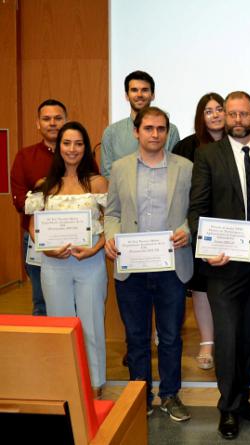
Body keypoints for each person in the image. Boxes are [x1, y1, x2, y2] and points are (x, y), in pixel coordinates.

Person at [188, 91, 250, 440]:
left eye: (244, 114)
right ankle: (228, 407)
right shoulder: (208, 154)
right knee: (228, 335)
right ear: (225, 116)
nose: (238, 120)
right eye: (232, 114)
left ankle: (243, 400)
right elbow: (197, 208)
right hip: (224, 261)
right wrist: (205, 248)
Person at [104, 106, 193, 422]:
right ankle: (139, 396)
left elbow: (194, 211)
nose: (155, 134)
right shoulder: (120, 168)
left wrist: (187, 230)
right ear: (136, 131)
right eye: (149, 128)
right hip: (132, 266)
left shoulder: (185, 167)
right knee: (136, 336)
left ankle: (170, 395)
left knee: (170, 336)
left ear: (167, 132)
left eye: (161, 129)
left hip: (172, 267)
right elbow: (112, 213)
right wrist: (111, 237)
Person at [25, 121, 108, 395]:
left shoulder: (97, 183)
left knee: (92, 323)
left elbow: (111, 224)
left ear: (86, 148)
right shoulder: (43, 185)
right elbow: (33, 226)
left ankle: (95, 383)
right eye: (67, 143)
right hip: (53, 264)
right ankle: (66, 383)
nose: (72, 149)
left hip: (90, 263)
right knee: (60, 323)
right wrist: (46, 249)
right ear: (58, 147)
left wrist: (95, 250)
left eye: (79, 143)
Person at [172, 92, 225, 370]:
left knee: (227, 285)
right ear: (200, 117)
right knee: (202, 287)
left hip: (232, 231)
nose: (215, 115)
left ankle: (227, 340)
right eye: (209, 111)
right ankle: (207, 342)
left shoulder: (239, 143)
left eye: (220, 109)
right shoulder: (186, 147)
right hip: (200, 228)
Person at [10, 99, 67, 315]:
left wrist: (44, 190)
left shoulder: (80, 153)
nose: (52, 123)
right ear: (38, 124)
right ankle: (45, 349)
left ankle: (73, 349)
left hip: (76, 236)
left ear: (66, 121)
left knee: (75, 301)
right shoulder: (25, 157)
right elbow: (20, 203)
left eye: (58, 118)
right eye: (46, 119)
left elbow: (94, 195)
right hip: (37, 238)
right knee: (42, 302)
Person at [101, 70, 180, 177]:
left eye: (145, 90)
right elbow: (107, 173)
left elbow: (174, 167)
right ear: (126, 96)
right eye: (134, 90)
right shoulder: (111, 132)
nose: (139, 95)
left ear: (153, 95)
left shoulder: (170, 130)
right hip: (123, 192)